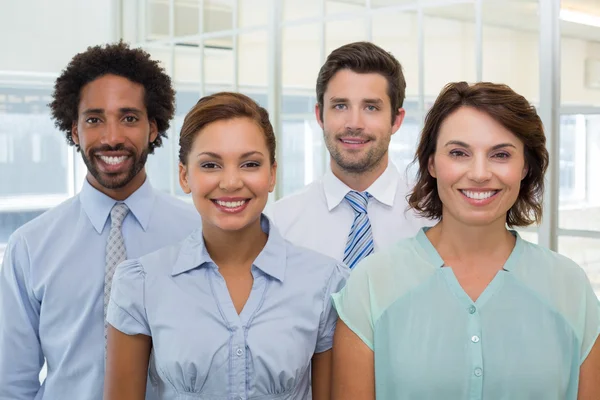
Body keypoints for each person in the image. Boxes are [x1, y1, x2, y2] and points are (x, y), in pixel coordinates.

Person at [331, 82, 600, 399]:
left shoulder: (570, 287)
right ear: (431, 163)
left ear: (525, 166)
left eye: (501, 154)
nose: (480, 173)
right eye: (459, 153)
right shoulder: (370, 285)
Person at [103, 92, 349, 400]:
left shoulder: (325, 282)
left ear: (271, 174)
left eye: (249, 164)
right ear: (184, 176)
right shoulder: (139, 283)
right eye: (210, 165)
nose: (231, 182)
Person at [0, 42, 200, 400]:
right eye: (94, 119)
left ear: (153, 128)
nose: (111, 138)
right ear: (74, 131)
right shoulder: (29, 247)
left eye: (129, 118)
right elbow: (12, 384)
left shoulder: (198, 234)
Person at [268, 42, 424, 268]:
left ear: (396, 120)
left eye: (371, 107)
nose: (354, 124)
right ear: (320, 115)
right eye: (340, 106)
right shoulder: (279, 224)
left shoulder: (433, 220)